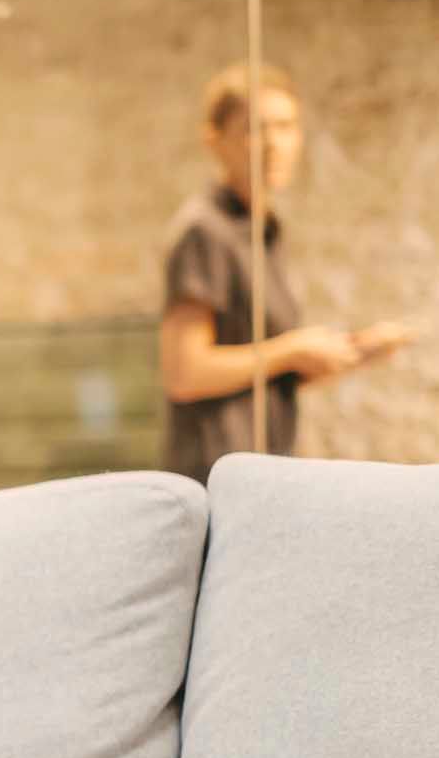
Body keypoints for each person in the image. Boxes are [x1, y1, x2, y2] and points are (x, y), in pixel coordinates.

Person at [158, 62, 420, 480]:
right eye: (256, 129)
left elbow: (263, 377)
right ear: (216, 141)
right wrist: (291, 350)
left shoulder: (264, 231)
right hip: (217, 477)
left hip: (262, 471)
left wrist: (352, 352)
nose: (273, 144)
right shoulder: (204, 230)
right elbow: (185, 372)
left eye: (286, 127)